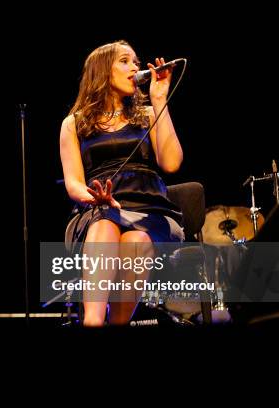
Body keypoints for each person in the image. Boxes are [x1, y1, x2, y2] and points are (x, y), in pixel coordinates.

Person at [60, 40, 184, 326]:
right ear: (103, 71)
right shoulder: (73, 124)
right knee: (104, 224)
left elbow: (172, 163)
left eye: (136, 62)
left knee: (137, 241)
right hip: (99, 210)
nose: (135, 68)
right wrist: (94, 198)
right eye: (125, 61)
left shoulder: (149, 114)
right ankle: (92, 322)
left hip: (149, 212)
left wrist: (160, 98)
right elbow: (73, 183)